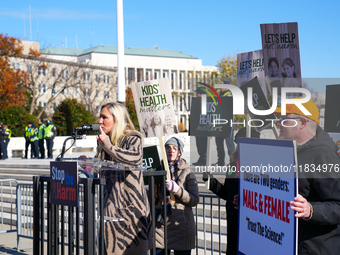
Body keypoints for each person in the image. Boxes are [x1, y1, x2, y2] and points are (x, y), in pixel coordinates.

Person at [80, 102, 152, 255]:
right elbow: (102, 170)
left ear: (117, 119)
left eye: (104, 117)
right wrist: (87, 165)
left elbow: (135, 159)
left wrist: (107, 145)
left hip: (131, 214)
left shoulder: (133, 137)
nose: (100, 121)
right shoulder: (106, 142)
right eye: (100, 117)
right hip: (110, 211)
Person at [274, 98, 340, 255]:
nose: (278, 125)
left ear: (302, 123)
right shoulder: (297, 151)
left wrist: (311, 210)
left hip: (317, 249)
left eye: (284, 120)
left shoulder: (323, 155)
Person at [203, 127, 260, 255]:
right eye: (239, 142)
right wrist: (211, 182)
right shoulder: (232, 166)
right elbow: (226, 193)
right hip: (233, 220)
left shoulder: (260, 166)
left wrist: (246, 199)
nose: (240, 145)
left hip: (250, 224)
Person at [155, 137, 199, 255]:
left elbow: (194, 200)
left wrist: (177, 189)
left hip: (181, 226)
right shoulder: (157, 170)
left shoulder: (188, 173)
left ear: (179, 152)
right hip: (161, 226)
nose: (171, 150)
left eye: (175, 148)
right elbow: (154, 200)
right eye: (168, 148)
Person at [213, 83, 235, 166]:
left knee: (229, 142)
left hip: (227, 121)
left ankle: (232, 161)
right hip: (219, 121)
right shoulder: (220, 94)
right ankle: (220, 161)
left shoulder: (229, 94)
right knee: (219, 142)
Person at [192, 87, 208, 166]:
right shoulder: (197, 101)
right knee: (199, 143)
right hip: (197, 126)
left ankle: (204, 158)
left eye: (197, 93)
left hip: (204, 126)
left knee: (203, 143)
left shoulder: (207, 102)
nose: (196, 94)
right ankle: (201, 157)